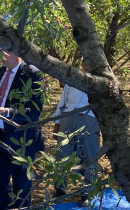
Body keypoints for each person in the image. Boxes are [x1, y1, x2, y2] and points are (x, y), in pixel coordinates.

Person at [0, 51, 44, 210]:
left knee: (22, 186)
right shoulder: (0, 71)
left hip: (22, 140)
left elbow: (35, 112)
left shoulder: (32, 73)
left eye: (4, 50)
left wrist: (9, 112)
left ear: (16, 51)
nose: (0, 55)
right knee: (0, 184)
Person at [52, 60, 99, 207]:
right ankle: (60, 190)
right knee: (63, 154)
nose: (86, 64)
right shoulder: (72, 79)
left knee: (89, 156)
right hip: (68, 118)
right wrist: (57, 125)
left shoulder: (101, 82)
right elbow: (62, 102)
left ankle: (87, 192)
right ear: (82, 64)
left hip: (90, 120)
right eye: (85, 61)